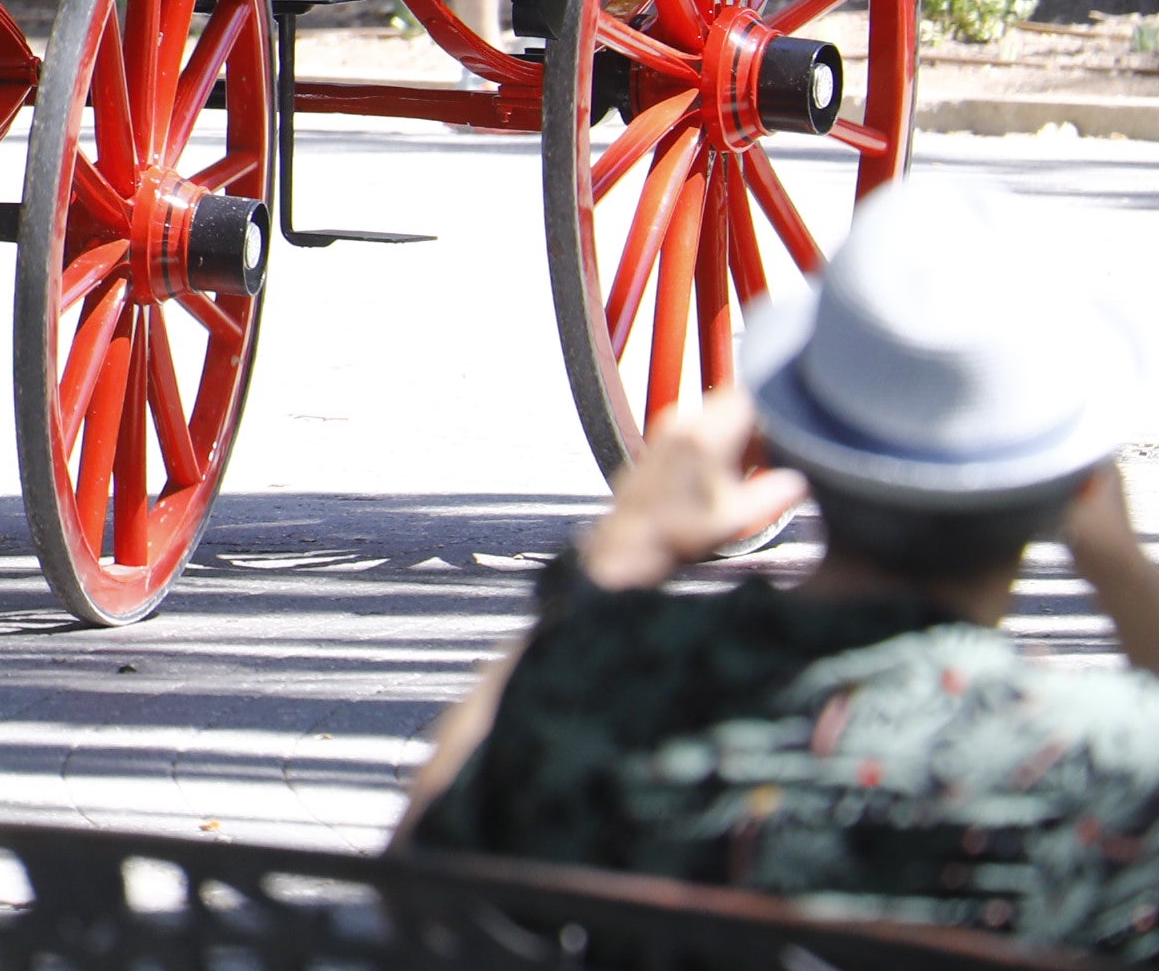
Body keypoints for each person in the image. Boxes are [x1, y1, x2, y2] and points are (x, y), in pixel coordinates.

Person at [403, 171, 1159, 958]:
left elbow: (428, 891)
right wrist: (1124, 572)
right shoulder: (1110, 757)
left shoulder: (607, 683)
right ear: (1080, 486)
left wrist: (614, 562)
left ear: (785, 441)